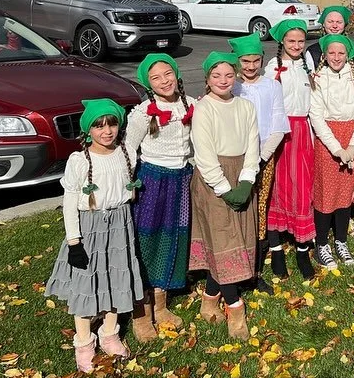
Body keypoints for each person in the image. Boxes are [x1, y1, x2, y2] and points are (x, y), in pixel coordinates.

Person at [45, 99, 145, 372]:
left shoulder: (126, 154)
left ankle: (110, 333)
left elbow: (142, 119)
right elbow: (69, 202)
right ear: (88, 130)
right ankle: (84, 342)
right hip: (89, 228)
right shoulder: (79, 161)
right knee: (86, 284)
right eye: (99, 126)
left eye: (112, 123)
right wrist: (74, 241)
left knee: (116, 277)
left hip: (119, 225)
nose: (107, 131)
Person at [123, 54, 196, 342]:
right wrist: (128, 184)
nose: (164, 81)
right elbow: (129, 147)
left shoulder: (188, 104)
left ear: (176, 74)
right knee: (148, 242)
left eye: (168, 74)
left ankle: (162, 306)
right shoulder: (143, 113)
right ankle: (142, 312)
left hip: (181, 180)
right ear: (148, 84)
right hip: (152, 181)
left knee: (173, 239)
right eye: (156, 77)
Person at [189, 52, 260, 340]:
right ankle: (236, 306)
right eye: (216, 76)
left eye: (229, 75)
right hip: (213, 181)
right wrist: (223, 187)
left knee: (238, 238)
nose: (223, 80)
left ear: (236, 77)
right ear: (207, 79)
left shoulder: (245, 106)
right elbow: (204, 155)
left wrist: (246, 180)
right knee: (222, 239)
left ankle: (209, 297)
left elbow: (253, 144)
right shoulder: (204, 109)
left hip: (241, 172)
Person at [228, 33, 291, 283]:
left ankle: (256, 263)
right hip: (235, 156)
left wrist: (263, 157)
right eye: (245, 61)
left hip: (263, 156)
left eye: (255, 60)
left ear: (262, 60)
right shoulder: (231, 86)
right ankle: (235, 257)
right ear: (237, 61)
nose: (251, 66)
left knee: (260, 206)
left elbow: (278, 123)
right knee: (238, 206)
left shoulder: (272, 86)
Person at [309, 34, 354, 269]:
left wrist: (353, 146)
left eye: (341, 53)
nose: (337, 57)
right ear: (325, 55)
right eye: (332, 53)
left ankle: (341, 240)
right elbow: (316, 115)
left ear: (348, 55)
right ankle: (322, 244)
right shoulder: (318, 78)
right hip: (328, 139)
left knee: (345, 193)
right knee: (326, 192)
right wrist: (337, 148)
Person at [263, 19, 316, 279]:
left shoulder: (307, 65)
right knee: (276, 188)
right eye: (291, 41)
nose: (296, 45)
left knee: (302, 189)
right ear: (282, 42)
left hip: (303, 132)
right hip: (280, 133)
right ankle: (277, 251)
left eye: (300, 41)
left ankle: (303, 250)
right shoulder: (273, 68)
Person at [306, 5, 354, 72]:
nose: (334, 26)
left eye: (339, 22)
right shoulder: (313, 51)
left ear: (345, 24)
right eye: (330, 22)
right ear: (323, 24)